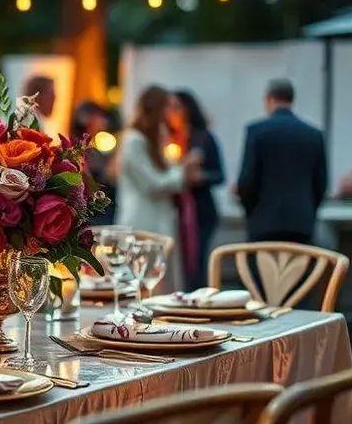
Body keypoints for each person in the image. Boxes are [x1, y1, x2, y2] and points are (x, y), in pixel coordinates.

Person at [236, 79, 327, 244]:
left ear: (269, 99)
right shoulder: (314, 135)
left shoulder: (256, 132)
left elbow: (247, 179)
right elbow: (321, 183)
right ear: (292, 100)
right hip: (301, 222)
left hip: (263, 221)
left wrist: (250, 210)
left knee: (263, 261)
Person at [113, 85, 202, 240]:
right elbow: (152, 184)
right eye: (169, 107)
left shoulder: (155, 137)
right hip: (141, 221)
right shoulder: (134, 141)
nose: (172, 113)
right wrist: (183, 170)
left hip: (158, 220)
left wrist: (181, 168)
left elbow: (166, 171)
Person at [171, 90, 225, 289]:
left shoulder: (203, 138)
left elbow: (219, 175)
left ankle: (198, 296)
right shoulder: (166, 137)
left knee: (197, 259)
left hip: (200, 209)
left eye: (176, 107)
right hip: (173, 208)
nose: (172, 112)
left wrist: (200, 177)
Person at [71, 101, 115, 225]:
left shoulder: (92, 146)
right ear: (86, 118)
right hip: (93, 215)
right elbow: (89, 181)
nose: (104, 121)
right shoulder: (78, 148)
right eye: (99, 116)